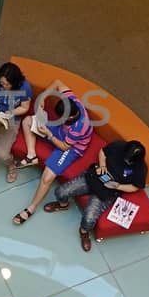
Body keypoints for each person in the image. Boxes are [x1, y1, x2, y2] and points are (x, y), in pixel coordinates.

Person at [12, 81, 94, 227]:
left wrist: (49, 134)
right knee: (28, 121)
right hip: (60, 133)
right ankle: (31, 155)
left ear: (68, 118)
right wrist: (43, 96)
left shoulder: (79, 127)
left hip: (70, 147)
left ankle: (31, 208)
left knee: (47, 177)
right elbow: (57, 82)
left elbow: (63, 146)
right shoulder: (72, 101)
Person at [45, 139, 147, 251]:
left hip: (110, 190)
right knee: (60, 191)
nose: (127, 161)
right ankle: (63, 205)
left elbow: (135, 187)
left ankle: (84, 233)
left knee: (89, 219)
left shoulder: (140, 168)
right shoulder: (118, 146)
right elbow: (103, 152)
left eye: (129, 161)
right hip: (95, 176)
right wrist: (102, 166)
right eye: (126, 159)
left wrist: (118, 186)